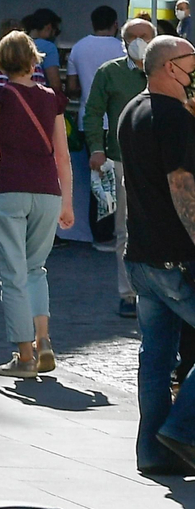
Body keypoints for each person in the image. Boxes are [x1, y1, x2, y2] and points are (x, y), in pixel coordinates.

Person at [0, 32, 73, 378]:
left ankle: (24, 356)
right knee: (36, 270)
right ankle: (44, 340)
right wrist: (67, 202)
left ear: (1, 62)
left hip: (9, 188)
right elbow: (63, 156)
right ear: (34, 61)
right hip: (47, 191)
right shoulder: (52, 99)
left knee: (12, 275)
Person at [118, 34, 195, 475]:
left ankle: (151, 452)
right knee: (157, 356)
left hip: (141, 255)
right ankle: (181, 430)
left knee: (156, 357)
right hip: (173, 260)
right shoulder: (172, 116)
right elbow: (183, 190)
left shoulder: (133, 109)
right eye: (190, 64)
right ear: (170, 66)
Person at [84, 18, 155, 318]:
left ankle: (158, 291)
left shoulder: (166, 69)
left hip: (160, 161)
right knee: (124, 231)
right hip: (121, 160)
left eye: (145, 36)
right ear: (123, 41)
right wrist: (97, 149)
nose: (139, 41)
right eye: (133, 36)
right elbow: (93, 112)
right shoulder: (109, 73)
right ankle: (128, 293)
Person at [68, 5, 123, 120]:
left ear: (93, 24)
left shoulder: (78, 47)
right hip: (115, 117)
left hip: (86, 115)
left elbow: (71, 87)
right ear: (115, 24)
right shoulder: (122, 48)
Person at [24, 9, 64, 90]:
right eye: (56, 32)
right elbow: (55, 83)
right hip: (38, 97)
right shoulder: (49, 47)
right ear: (48, 27)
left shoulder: (18, 45)